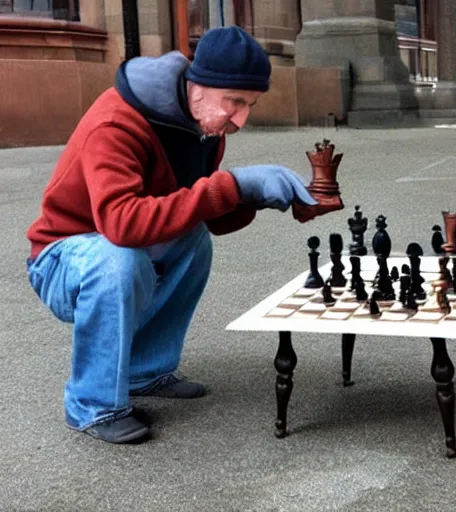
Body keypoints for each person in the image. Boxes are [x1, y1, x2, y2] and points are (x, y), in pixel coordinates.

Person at [25, 26, 317, 444]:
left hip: (114, 246)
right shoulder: (117, 121)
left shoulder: (203, 125)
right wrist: (233, 186)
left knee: (192, 239)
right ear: (196, 87)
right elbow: (121, 223)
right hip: (59, 257)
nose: (241, 119)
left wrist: (258, 198)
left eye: (249, 105)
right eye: (234, 102)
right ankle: (91, 405)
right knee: (119, 259)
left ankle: (146, 370)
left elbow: (206, 215)